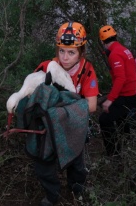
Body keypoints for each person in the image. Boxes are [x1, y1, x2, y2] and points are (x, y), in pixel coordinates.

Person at [33, 21, 99, 206]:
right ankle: (52, 194)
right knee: (43, 163)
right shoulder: (47, 67)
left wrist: (59, 109)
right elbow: (33, 94)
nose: (65, 57)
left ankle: (76, 188)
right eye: (61, 51)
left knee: (76, 162)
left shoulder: (86, 70)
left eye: (71, 52)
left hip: (73, 125)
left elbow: (92, 105)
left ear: (81, 52)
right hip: (48, 126)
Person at [98, 25, 136, 156]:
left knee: (104, 120)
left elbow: (120, 78)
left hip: (128, 95)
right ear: (115, 36)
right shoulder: (123, 49)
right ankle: (126, 143)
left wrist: (109, 100)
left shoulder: (115, 54)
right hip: (134, 93)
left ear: (102, 41)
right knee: (121, 117)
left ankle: (113, 153)